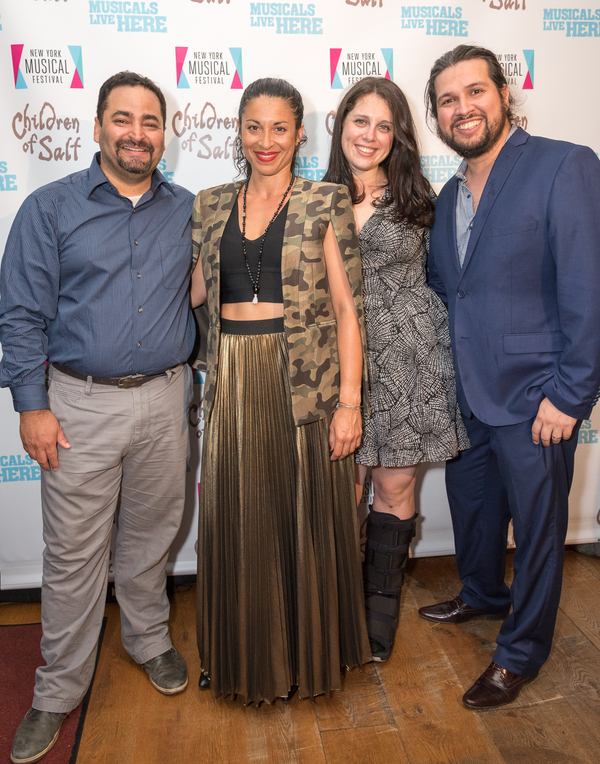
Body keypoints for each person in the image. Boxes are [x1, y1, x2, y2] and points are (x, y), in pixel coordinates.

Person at [0, 72, 195, 763]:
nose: (136, 132)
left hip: (167, 398)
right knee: (75, 555)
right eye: (123, 118)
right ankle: (57, 689)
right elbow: (21, 314)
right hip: (77, 404)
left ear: (164, 132)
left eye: (149, 121)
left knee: (151, 537)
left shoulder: (189, 210)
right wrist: (33, 407)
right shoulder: (49, 209)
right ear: (97, 126)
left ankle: (148, 639)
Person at [420, 44, 600, 709]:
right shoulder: (446, 193)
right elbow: (449, 290)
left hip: (536, 397)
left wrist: (571, 393)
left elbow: (589, 285)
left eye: (475, 92)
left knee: (539, 529)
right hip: (468, 396)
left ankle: (520, 651)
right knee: (474, 510)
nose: (462, 107)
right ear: (437, 115)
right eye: (447, 99)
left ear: (504, 94)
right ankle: (482, 595)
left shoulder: (564, 164)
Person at [190, 78, 371, 704]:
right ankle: (240, 656)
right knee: (238, 516)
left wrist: (350, 403)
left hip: (304, 381)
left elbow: (349, 309)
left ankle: (304, 655)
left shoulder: (326, 201)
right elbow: (190, 293)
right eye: (253, 127)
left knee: (302, 518)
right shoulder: (209, 204)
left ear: (299, 133)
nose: (265, 142)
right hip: (232, 375)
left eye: (279, 128)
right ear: (238, 131)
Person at [324, 77, 469, 663]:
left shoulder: (418, 198)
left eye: (385, 126)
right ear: (341, 124)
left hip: (409, 357)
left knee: (394, 484)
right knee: (339, 488)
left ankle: (378, 611)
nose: (371, 135)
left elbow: (452, 277)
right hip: (333, 359)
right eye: (361, 121)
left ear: (399, 136)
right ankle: (331, 607)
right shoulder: (310, 193)